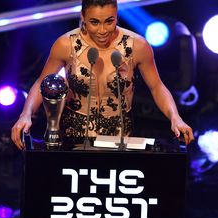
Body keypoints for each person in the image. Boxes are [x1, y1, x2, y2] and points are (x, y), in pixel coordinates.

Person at [11, 0, 194, 150]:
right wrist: (25, 115)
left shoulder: (137, 46)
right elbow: (42, 82)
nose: (102, 30)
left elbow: (157, 87)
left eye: (109, 21)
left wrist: (175, 117)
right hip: (72, 142)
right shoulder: (66, 44)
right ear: (83, 17)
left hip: (118, 144)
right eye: (94, 22)